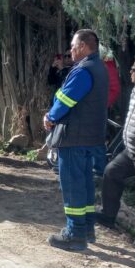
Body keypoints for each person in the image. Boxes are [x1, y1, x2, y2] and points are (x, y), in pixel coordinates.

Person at [43, 29, 110, 250]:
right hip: (92, 137)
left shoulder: (83, 70)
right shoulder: (100, 68)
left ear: (82, 46)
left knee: (73, 186)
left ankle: (75, 234)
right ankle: (87, 228)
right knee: (85, 184)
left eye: (73, 46)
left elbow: (64, 99)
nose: (70, 50)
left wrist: (51, 117)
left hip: (74, 137)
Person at [98, 56, 135, 236]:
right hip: (130, 150)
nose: (130, 72)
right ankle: (108, 215)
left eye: (134, 69)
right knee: (111, 172)